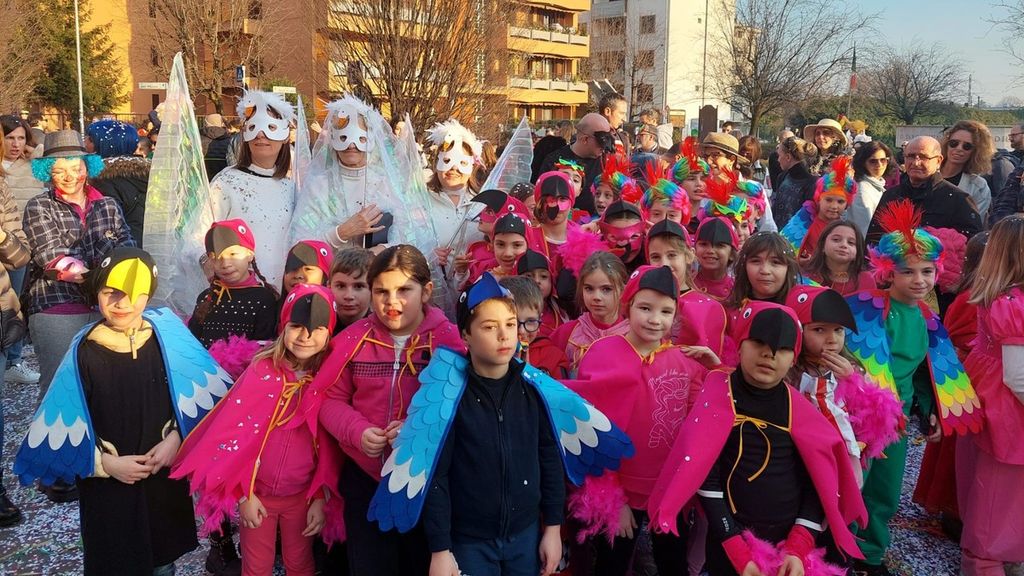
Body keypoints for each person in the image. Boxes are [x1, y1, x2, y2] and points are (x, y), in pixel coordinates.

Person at [365, 272, 630, 576]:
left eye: (510, 324)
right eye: (489, 327)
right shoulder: (452, 399)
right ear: (466, 334)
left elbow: (549, 460)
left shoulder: (536, 391)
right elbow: (437, 478)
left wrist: (553, 528)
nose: (504, 335)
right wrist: (440, 550)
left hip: (525, 536)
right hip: (469, 542)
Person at [13, 247, 230, 575]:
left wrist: (177, 438)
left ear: (148, 295)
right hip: (110, 490)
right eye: (110, 292)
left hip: (161, 481)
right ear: (97, 292)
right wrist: (106, 465)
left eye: (135, 294)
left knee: (162, 562)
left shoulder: (168, 338)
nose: (122, 303)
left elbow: (209, 398)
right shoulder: (84, 352)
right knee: (116, 562)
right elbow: (61, 435)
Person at [648, 301, 868, 576]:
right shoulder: (716, 398)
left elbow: (819, 482)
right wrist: (734, 546)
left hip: (789, 547)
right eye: (758, 342)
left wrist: (799, 544)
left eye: (783, 348)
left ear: (793, 357)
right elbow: (704, 475)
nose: (769, 354)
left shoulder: (801, 412)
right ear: (740, 345)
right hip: (728, 540)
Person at [845, 200, 984, 575]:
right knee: (853, 485)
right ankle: (840, 549)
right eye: (908, 271)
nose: (920, 279)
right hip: (861, 421)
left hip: (900, 421)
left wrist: (933, 410)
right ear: (888, 272)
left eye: (927, 270)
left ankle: (870, 554)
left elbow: (928, 371)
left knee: (886, 492)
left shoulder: (928, 317)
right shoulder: (868, 308)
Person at [173, 284, 344, 576]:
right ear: (283, 326)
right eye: (296, 326)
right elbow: (235, 437)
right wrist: (244, 495)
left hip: (303, 497)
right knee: (256, 566)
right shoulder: (262, 371)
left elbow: (328, 446)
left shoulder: (328, 380)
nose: (305, 336)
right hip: (257, 495)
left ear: (328, 333)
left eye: (316, 329)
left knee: (300, 562)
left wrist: (320, 497)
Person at [314, 245, 464, 575]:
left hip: (425, 480)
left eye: (404, 290)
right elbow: (327, 399)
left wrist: (415, 430)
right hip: (364, 478)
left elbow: (460, 408)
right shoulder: (353, 340)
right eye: (381, 291)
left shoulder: (447, 341)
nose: (391, 301)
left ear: (426, 291)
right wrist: (356, 431)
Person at [569, 265, 712, 576]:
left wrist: (716, 369)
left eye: (666, 311)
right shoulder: (603, 354)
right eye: (645, 308)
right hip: (621, 490)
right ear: (628, 306)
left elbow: (704, 423)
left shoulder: (685, 362)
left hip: (668, 491)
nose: (655, 319)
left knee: (673, 564)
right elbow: (591, 431)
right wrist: (613, 499)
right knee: (612, 564)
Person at [23, 130, 134, 413]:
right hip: (56, 306)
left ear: (88, 167)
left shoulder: (108, 205)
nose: (70, 176)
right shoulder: (39, 206)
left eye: (76, 168)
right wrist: (104, 277)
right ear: (48, 172)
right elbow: (52, 257)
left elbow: (125, 247)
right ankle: (49, 440)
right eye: (59, 170)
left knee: (103, 385)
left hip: (104, 307)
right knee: (58, 387)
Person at [784, 285, 905, 489]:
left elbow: (868, 410)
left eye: (838, 330)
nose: (832, 339)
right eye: (819, 329)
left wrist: (852, 379)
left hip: (840, 455)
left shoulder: (851, 369)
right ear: (798, 330)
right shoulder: (789, 369)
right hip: (798, 454)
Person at [956, 217, 1024, 575]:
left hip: (990, 397)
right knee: (997, 503)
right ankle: (986, 563)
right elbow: (1018, 376)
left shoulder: (1001, 295)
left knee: (989, 494)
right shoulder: (1013, 303)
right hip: (1008, 411)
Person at [865, 136, 983, 245]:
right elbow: (872, 242)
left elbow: (971, 247)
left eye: (923, 157)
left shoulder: (958, 200)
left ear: (938, 161)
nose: (916, 163)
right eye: (911, 156)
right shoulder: (891, 196)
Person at [188, 219, 278, 349]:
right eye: (215, 257)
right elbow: (191, 343)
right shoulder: (205, 298)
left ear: (249, 255)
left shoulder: (264, 299)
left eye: (233, 254)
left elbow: (264, 350)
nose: (225, 264)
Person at [0, 124, 38, 387]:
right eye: (10, 137)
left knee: (13, 306)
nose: (15, 144)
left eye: (21, 138)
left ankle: (14, 360)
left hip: (15, 245)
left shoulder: (31, 166)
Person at [550, 251, 629, 375]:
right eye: (589, 289)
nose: (596, 297)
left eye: (606, 289)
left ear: (622, 291)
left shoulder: (634, 335)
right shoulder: (566, 333)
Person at [780, 156, 857, 262]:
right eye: (828, 200)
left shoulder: (844, 227)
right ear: (818, 199)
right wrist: (799, 262)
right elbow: (783, 252)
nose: (834, 206)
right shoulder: (805, 218)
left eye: (840, 202)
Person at [86, 119, 149, 247]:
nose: (85, 143)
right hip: (150, 244)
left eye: (90, 140)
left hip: (122, 248)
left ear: (107, 144)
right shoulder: (147, 174)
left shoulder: (103, 180)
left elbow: (106, 223)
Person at [536, 113, 614, 215]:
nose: (604, 147)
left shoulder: (606, 161)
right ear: (585, 139)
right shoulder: (553, 161)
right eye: (601, 142)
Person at [938, 120, 994, 222]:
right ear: (946, 144)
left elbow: (974, 225)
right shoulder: (926, 173)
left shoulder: (979, 187)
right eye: (954, 143)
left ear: (976, 151)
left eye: (967, 146)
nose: (959, 148)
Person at [802, 220, 875, 296]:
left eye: (851, 242)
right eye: (836, 240)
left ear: (857, 252)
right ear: (822, 246)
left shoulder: (866, 279)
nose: (844, 245)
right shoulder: (807, 277)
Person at [848, 141, 896, 236]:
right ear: (863, 163)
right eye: (873, 161)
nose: (879, 165)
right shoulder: (862, 191)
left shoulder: (876, 185)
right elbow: (863, 230)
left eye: (883, 160)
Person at [771, 136, 818, 228]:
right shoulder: (782, 176)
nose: (778, 160)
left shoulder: (812, 182)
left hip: (799, 234)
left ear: (788, 157)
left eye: (779, 156)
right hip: (777, 233)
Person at [693, 217, 738, 301]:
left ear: (732, 254)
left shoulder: (738, 290)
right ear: (694, 249)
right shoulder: (686, 284)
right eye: (704, 244)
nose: (710, 251)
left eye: (719, 245)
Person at [329, 247, 372, 331]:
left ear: (372, 289)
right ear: (329, 287)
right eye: (341, 286)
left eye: (359, 286)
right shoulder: (319, 327)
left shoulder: (381, 330)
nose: (349, 296)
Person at [201, 113, 232, 180]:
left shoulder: (198, 139)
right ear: (221, 123)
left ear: (206, 123)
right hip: (224, 179)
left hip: (203, 179)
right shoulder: (230, 140)